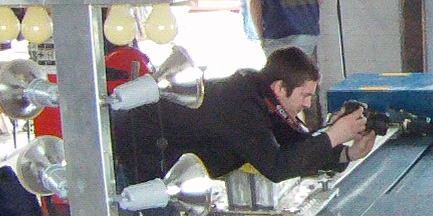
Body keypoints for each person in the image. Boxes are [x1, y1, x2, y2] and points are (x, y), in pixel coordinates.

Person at [111, 45, 371, 184]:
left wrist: (345, 151)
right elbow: (277, 167)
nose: (307, 104)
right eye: (304, 95)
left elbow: (294, 143)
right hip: (139, 151)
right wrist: (333, 136)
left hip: (159, 154)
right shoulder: (240, 104)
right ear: (280, 88)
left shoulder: (262, 95)